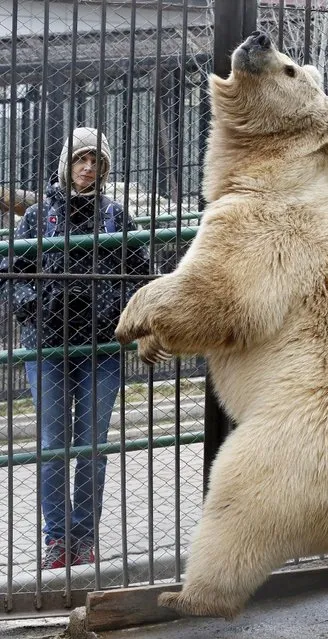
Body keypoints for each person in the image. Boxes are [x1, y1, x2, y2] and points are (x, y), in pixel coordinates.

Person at [0, 128, 149, 569]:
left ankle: (83, 539)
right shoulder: (39, 216)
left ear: (104, 169)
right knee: (52, 443)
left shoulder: (114, 216)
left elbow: (141, 273)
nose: (88, 167)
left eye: (96, 161)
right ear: (67, 163)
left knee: (90, 444)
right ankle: (56, 540)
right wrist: (34, 309)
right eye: (81, 159)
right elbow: (12, 271)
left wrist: (120, 316)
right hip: (47, 346)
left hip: (101, 346)